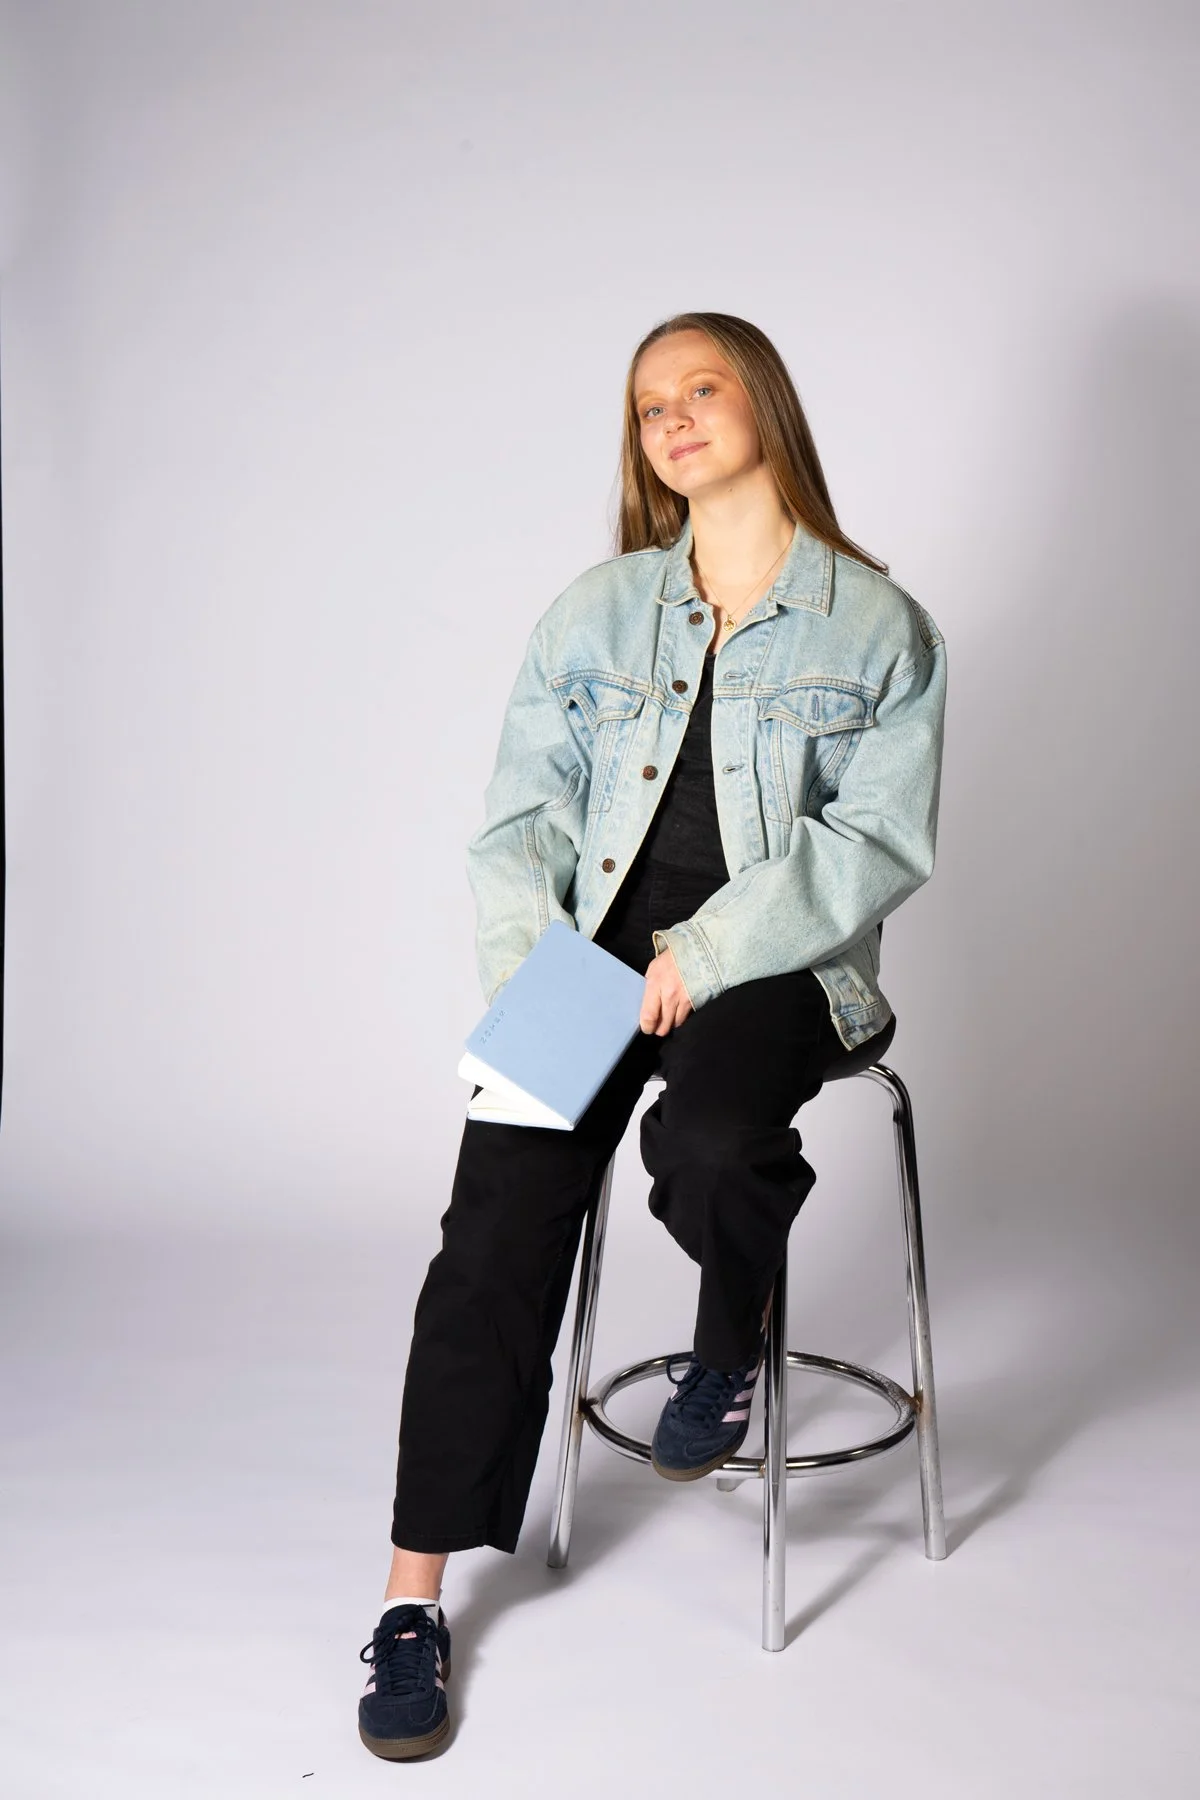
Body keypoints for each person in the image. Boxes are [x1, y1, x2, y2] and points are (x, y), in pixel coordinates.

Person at [357, 311, 948, 1759]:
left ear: (767, 408)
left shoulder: (880, 628)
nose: (670, 420)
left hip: (775, 965)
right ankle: (413, 1595)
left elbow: (871, 846)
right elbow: (515, 824)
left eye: (701, 388)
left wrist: (707, 951)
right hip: (587, 957)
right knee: (493, 1230)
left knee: (713, 1135)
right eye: (645, 407)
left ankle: (728, 1329)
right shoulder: (597, 610)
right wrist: (540, 984)